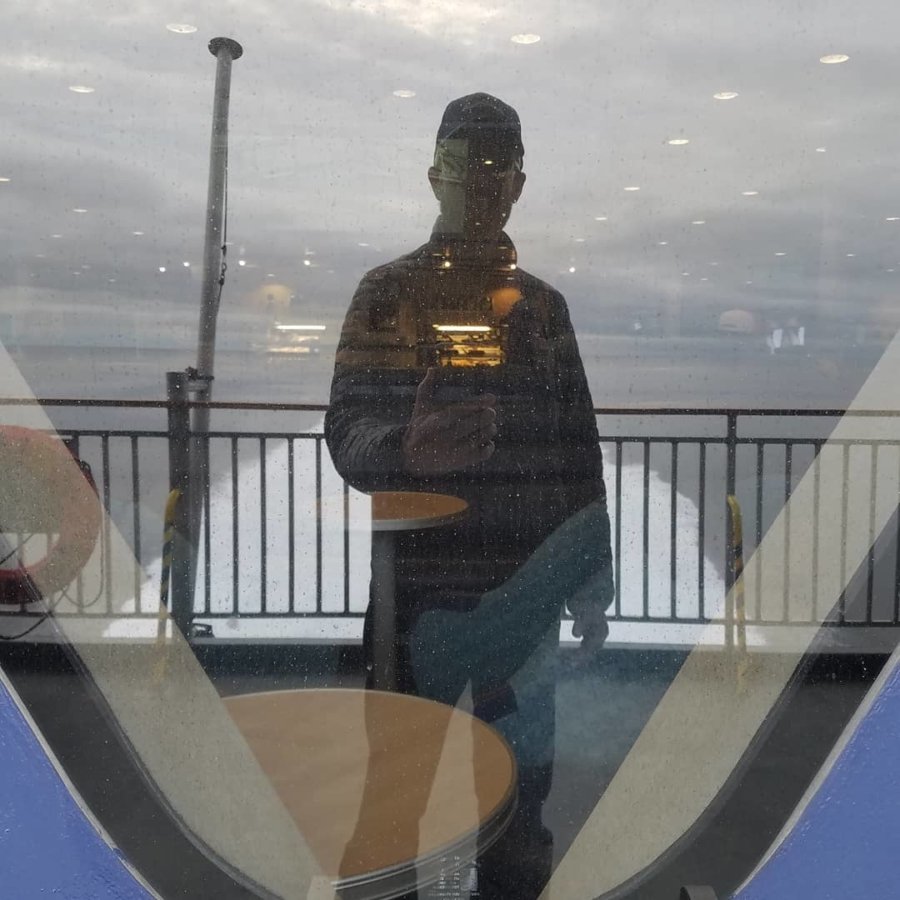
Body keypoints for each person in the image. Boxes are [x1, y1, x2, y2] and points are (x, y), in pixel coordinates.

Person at [325, 92, 613, 898]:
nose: (483, 185)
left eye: (498, 169)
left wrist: (590, 580)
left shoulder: (541, 309)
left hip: (482, 599)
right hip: (426, 599)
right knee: (400, 798)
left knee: (510, 807)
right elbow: (348, 429)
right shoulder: (391, 295)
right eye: (466, 168)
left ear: (518, 184)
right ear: (435, 177)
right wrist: (405, 448)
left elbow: (576, 452)